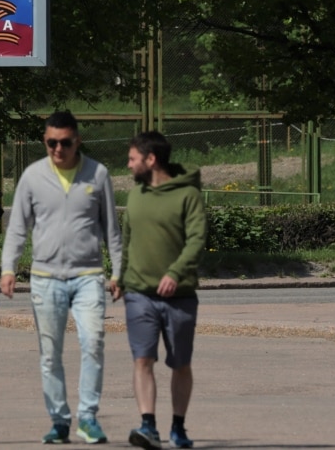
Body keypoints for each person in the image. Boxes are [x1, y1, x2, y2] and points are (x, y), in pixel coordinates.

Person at [0, 111, 122, 445]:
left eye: (65, 142)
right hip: (45, 277)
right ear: (45, 141)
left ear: (77, 141)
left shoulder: (97, 174)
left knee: (93, 343)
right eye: (51, 142)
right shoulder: (32, 176)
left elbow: (112, 228)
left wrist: (118, 271)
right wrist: (8, 267)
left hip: (88, 275)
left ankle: (88, 417)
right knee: (50, 353)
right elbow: (17, 228)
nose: (58, 149)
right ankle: (59, 421)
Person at [119, 131, 207, 449]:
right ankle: (148, 426)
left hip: (180, 297)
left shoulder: (188, 195)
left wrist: (175, 272)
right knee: (142, 360)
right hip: (139, 294)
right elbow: (127, 240)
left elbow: (197, 240)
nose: (128, 166)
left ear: (151, 159)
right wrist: (119, 276)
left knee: (180, 364)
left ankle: (178, 427)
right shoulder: (136, 195)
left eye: (132, 159)